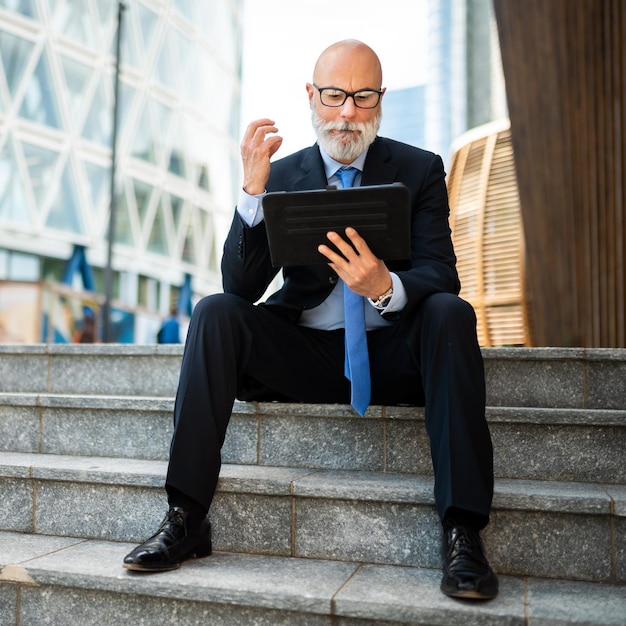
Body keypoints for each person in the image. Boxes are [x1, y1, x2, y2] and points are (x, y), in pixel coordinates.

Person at [123, 39, 498, 601]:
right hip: (304, 352)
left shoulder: (420, 169)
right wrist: (253, 192)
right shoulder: (284, 172)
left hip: (393, 351)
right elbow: (241, 287)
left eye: (362, 97)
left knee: (450, 311)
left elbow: (441, 272)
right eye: (334, 96)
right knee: (215, 312)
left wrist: (385, 288)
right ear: (311, 97)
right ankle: (185, 517)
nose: (347, 112)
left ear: (379, 100)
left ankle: (463, 531)